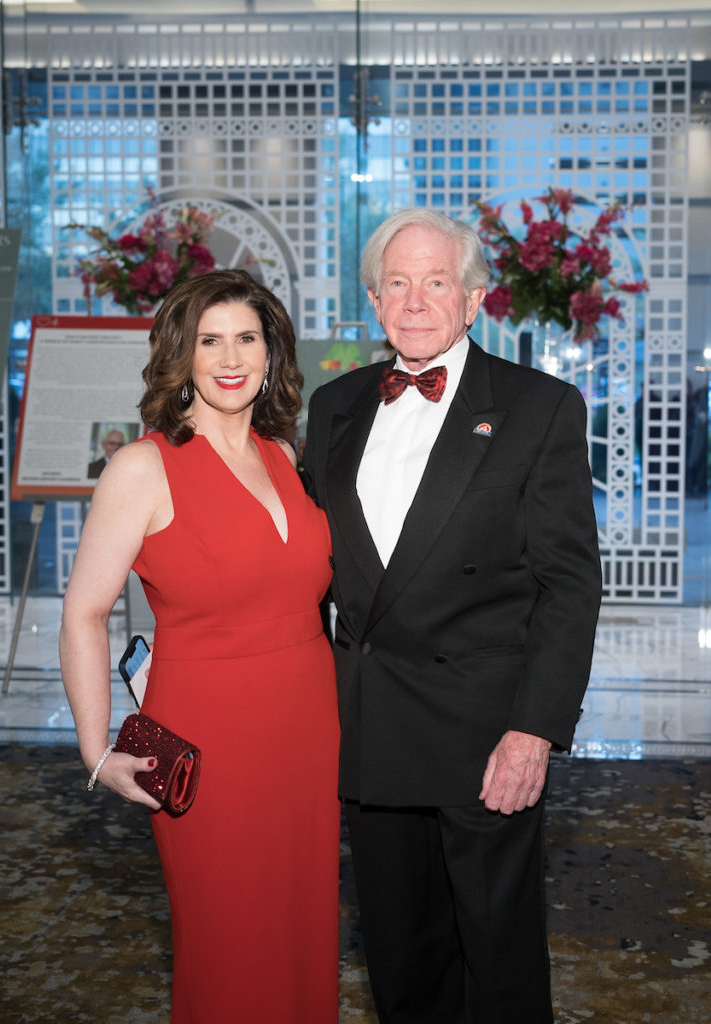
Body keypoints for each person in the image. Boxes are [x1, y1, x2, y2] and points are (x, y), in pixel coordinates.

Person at [303, 209, 602, 1024]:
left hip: (485, 735)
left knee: (497, 960)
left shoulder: (540, 407)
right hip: (370, 726)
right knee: (401, 958)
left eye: (436, 281)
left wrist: (534, 730)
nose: (415, 300)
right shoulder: (334, 406)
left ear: (474, 299)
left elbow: (570, 586)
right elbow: (302, 561)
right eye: (397, 283)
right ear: (373, 299)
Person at [60, 270, 340, 1024]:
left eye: (247, 338)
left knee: (304, 934)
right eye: (209, 339)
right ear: (179, 355)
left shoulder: (285, 453)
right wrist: (95, 752)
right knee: (229, 945)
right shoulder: (143, 466)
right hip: (209, 743)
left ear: (272, 352)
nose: (230, 356)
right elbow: (84, 613)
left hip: (309, 732)